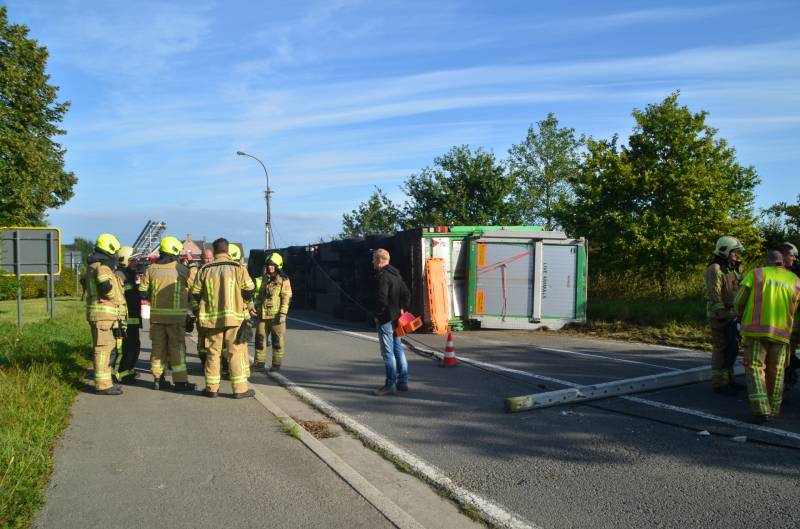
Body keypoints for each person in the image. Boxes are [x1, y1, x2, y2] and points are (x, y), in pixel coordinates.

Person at [734, 250, 800, 424]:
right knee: (777, 371)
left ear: (767, 261)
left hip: (756, 332)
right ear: (782, 262)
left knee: (755, 369)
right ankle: (774, 408)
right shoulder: (795, 280)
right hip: (782, 334)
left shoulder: (757, 274)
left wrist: (740, 315)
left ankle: (762, 411)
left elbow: (739, 301)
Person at [191, 238, 256, 398]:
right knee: (235, 353)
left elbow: (195, 293)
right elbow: (249, 289)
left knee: (213, 354)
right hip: (234, 319)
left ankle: (211, 389)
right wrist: (243, 301)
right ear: (227, 250)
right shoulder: (238, 268)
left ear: (214, 251)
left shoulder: (205, 269)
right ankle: (239, 390)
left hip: (212, 320)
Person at [139, 236, 195, 392]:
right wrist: (192, 265)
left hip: (156, 318)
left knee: (158, 348)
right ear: (175, 251)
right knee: (176, 349)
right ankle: (180, 382)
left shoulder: (151, 269)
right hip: (176, 318)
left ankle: (158, 379)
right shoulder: (181, 270)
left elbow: (142, 292)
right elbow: (195, 288)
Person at [85, 233, 127, 395]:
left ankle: (106, 382)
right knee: (103, 349)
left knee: (106, 348)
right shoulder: (102, 267)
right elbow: (107, 290)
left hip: (101, 315)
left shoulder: (93, 265)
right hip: (103, 316)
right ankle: (102, 385)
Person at [704, 236, 745, 395]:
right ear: (725, 251)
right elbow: (714, 294)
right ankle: (719, 383)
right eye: (734, 252)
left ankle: (729, 379)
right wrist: (722, 314)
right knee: (721, 347)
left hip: (732, 314)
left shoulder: (732, 269)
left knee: (732, 347)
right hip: (719, 316)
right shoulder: (715, 269)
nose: (736, 255)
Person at [372, 248, 411, 396]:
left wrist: (377, 315)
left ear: (380, 260)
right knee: (398, 349)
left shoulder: (383, 276)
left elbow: (382, 299)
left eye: (374, 259)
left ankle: (390, 385)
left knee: (388, 353)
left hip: (386, 319)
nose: (372, 262)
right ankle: (403, 381)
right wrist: (402, 308)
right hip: (397, 318)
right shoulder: (396, 274)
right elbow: (407, 294)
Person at [253, 253, 292, 371]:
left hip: (276, 317)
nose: (270, 267)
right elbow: (260, 295)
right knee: (260, 340)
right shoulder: (264, 278)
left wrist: (283, 314)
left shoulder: (284, 280)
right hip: (263, 316)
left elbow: (286, 297)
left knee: (277, 342)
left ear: (278, 266)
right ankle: (259, 363)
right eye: (269, 265)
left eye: (273, 265)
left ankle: (276, 364)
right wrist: (255, 307)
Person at [113, 246, 141, 384]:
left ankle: (128, 370)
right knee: (124, 348)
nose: (136, 262)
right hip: (124, 320)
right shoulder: (120, 275)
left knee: (134, 346)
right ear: (125, 260)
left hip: (133, 319)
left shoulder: (130, 274)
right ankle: (119, 374)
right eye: (132, 260)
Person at [778, 242, 800, 391]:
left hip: (792, 322)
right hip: (786, 323)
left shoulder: (794, 274)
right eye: (792, 256)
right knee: (785, 355)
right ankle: (784, 381)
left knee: (787, 355)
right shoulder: (785, 274)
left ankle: (786, 378)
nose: (794, 260)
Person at [195, 248, 215, 370]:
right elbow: (193, 294)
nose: (208, 260)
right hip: (202, 314)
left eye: (210, 258)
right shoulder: (198, 272)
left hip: (215, 314)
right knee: (202, 340)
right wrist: (196, 310)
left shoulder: (216, 272)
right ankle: (204, 362)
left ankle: (219, 365)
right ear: (201, 258)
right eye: (205, 258)